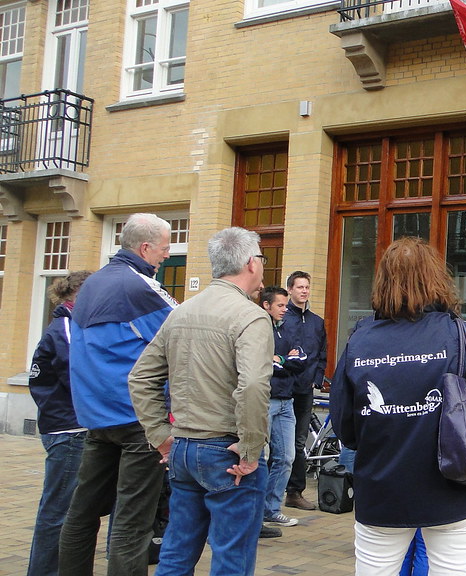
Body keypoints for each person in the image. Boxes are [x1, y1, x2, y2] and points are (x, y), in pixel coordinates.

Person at [331, 237, 466, 575]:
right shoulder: (463, 335)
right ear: (436, 278)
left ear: (383, 281)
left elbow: (345, 429)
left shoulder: (360, 339)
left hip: (381, 492)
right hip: (455, 491)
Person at [129, 227, 274, 575]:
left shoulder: (181, 312)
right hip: (227, 452)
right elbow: (253, 384)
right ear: (252, 263)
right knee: (231, 556)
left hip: (184, 447)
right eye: (262, 260)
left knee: (178, 550)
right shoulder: (251, 315)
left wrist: (161, 434)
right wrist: (252, 449)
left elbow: (140, 377)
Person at [60, 213, 176, 576]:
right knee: (132, 522)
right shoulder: (139, 287)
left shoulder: (92, 284)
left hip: (96, 418)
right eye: (163, 249)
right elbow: (183, 333)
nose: (166, 256)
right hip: (138, 420)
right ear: (144, 248)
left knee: (81, 514)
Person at [27, 270, 91, 576]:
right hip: (69, 430)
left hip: (68, 427)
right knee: (58, 511)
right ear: (78, 297)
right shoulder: (65, 328)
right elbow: (78, 375)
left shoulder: (68, 325)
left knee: (64, 508)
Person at [261, 286, 305, 531]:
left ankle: (272, 509)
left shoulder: (289, 329)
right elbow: (263, 364)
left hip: (287, 401)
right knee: (259, 458)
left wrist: (282, 361)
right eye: (280, 305)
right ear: (266, 305)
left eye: (286, 306)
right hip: (265, 401)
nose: (285, 309)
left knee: (286, 457)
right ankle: (255, 514)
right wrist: (280, 362)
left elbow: (301, 361)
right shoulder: (258, 328)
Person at [283, 270, 328, 512]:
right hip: (282, 389)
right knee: (282, 444)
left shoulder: (317, 322)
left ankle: (294, 492)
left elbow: (322, 354)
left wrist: (317, 379)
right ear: (290, 289)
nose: (304, 291)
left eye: (307, 287)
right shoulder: (281, 319)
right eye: (299, 287)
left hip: (305, 391)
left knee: (299, 442)